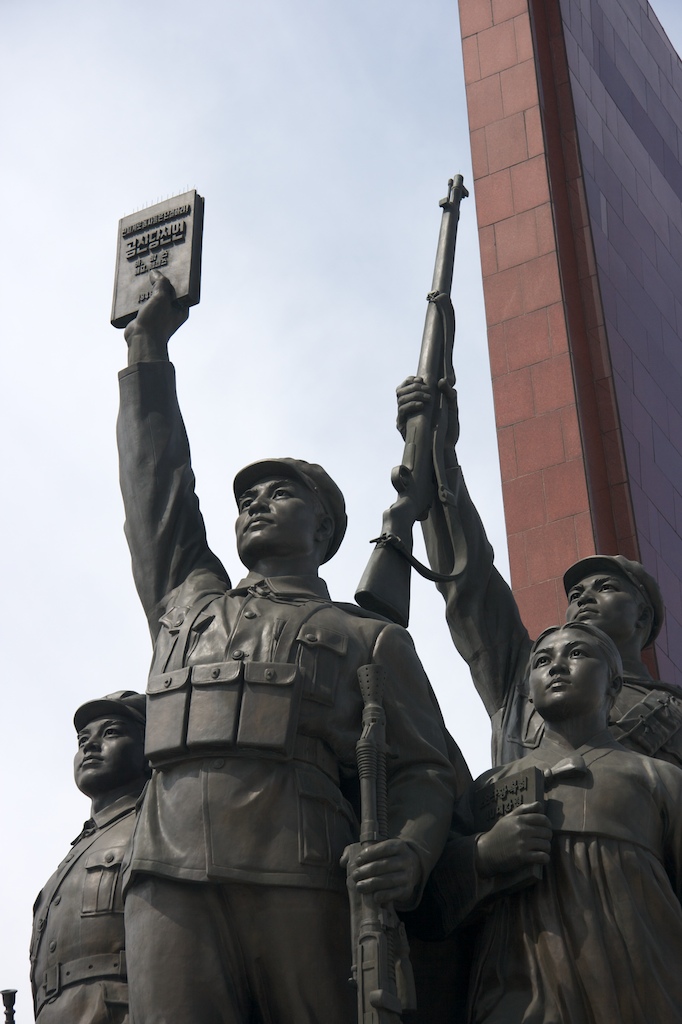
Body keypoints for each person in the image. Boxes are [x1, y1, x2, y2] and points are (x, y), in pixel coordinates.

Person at [116, 271, 460, 1024]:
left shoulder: (369, 639)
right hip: (166, 873)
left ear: (326, 529)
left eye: (280, 495)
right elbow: (156, 487)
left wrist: (409, 850)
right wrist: (147, 352)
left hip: (300, 874)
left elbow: (427, 771)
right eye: (245, 500)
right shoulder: (187, 600)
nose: (254, 506)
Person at [396, 376, 682, 766]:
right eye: (576, 594)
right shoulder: (521, 677)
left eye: (606, 587)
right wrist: (436, 450)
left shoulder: (673, 716)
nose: (583, 597)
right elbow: (468, 578)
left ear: (643, 615)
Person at [443, 621, 682, 1023]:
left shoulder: (659, 779)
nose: (556, 666)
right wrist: (484, 854)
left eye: (576, 653)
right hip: (519, 998)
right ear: (529, 694)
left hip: (639, 995)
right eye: (541, 660)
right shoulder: (488, 788)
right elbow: (432, 904)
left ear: (614, 683)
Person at [30, 691, 148, 1024]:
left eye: (111, 732)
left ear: (149, 750)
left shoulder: (157, 824)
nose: (89, 745)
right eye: (83, 739)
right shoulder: (67, 862)